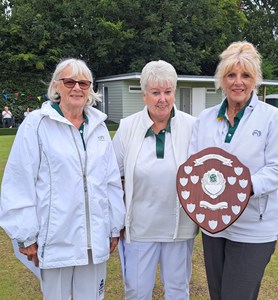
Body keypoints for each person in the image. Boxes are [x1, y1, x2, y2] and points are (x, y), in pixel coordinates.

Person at [0, 58, 126, 300]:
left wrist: (113, 227)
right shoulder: (36, 124)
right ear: (56, 86)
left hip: (94, 242)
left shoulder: (98, 128)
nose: (77, 88)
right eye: (69, 82)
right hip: (56, 240)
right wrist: (25, 234)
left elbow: (110, 182)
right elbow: (19, 180)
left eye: (83, 83)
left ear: (90, 89)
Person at [188, 41, 278, 300]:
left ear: (255, 80)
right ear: (221, 79)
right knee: (218, 294)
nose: (238, 82)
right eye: (231, 75)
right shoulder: (205, 119)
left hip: (253, 227)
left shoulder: (272, 118)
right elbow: (193, 164)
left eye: (245, 75)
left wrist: (241, 188)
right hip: (214, 225)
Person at [112, 60, 198, 300]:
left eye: (168, 92)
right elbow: (110, 175)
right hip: (139, 228)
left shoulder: (193, 126)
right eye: (156, 92)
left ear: (174, 92)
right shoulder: (128, 127)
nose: (163, 99)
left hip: (179, 228)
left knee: (178, 291)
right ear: (144, 95)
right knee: (137, 292)